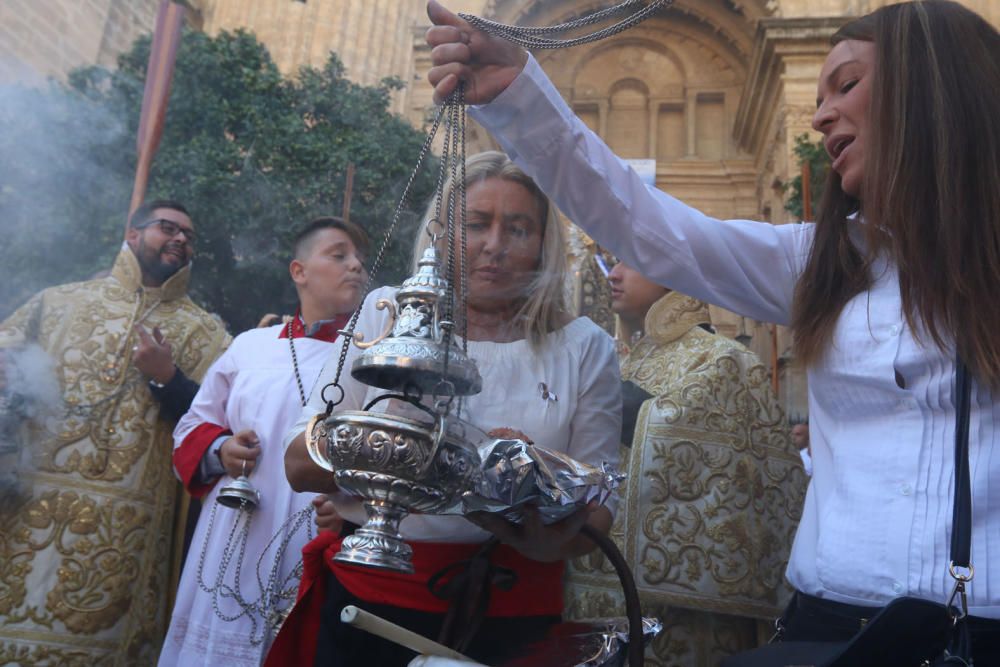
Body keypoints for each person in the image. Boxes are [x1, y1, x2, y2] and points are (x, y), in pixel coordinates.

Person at [425, 0, 1000, 660]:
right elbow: (648, 223)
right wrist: (521, 96)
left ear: (934, 89)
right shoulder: (820, 263)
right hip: (828, 628)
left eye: (847, 85)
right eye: (818, 95)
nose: (819, 116)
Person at [269, 151, 622, 667]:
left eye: (518, 229)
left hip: (512, 615)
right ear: (443, 234)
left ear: (543, 245)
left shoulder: (582, 345)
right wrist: (392, 451)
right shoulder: (390, 312)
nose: (494, 246)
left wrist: (532, 488)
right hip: (373, 602)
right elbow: (301, 461)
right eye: (476, 224)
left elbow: (598, 507)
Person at [0, 200, 231, 665]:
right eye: (167, 228)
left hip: (128, 527)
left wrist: (167, 377)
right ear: (132, 234)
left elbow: (213, 427)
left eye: (188, 235)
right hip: (28, 505)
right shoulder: (57, 303)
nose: (181, 239)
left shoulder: (208, 334)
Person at [564, 260, 806, 664]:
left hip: (686, 616)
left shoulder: (725, 359)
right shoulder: (624, 359)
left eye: (631, 261)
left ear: (673, 271)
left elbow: (730, 469)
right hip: (597, 592)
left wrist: (612, 407)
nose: (613, 274)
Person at [159, 217, 369, 666]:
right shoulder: (250, 346)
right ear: (299, 271)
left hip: (317, 536)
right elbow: (192, 427)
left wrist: (356, 505)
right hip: (234, 530)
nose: (356, 267)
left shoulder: (374, 357)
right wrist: (221, 451)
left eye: (359, 259)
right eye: (339, 255)